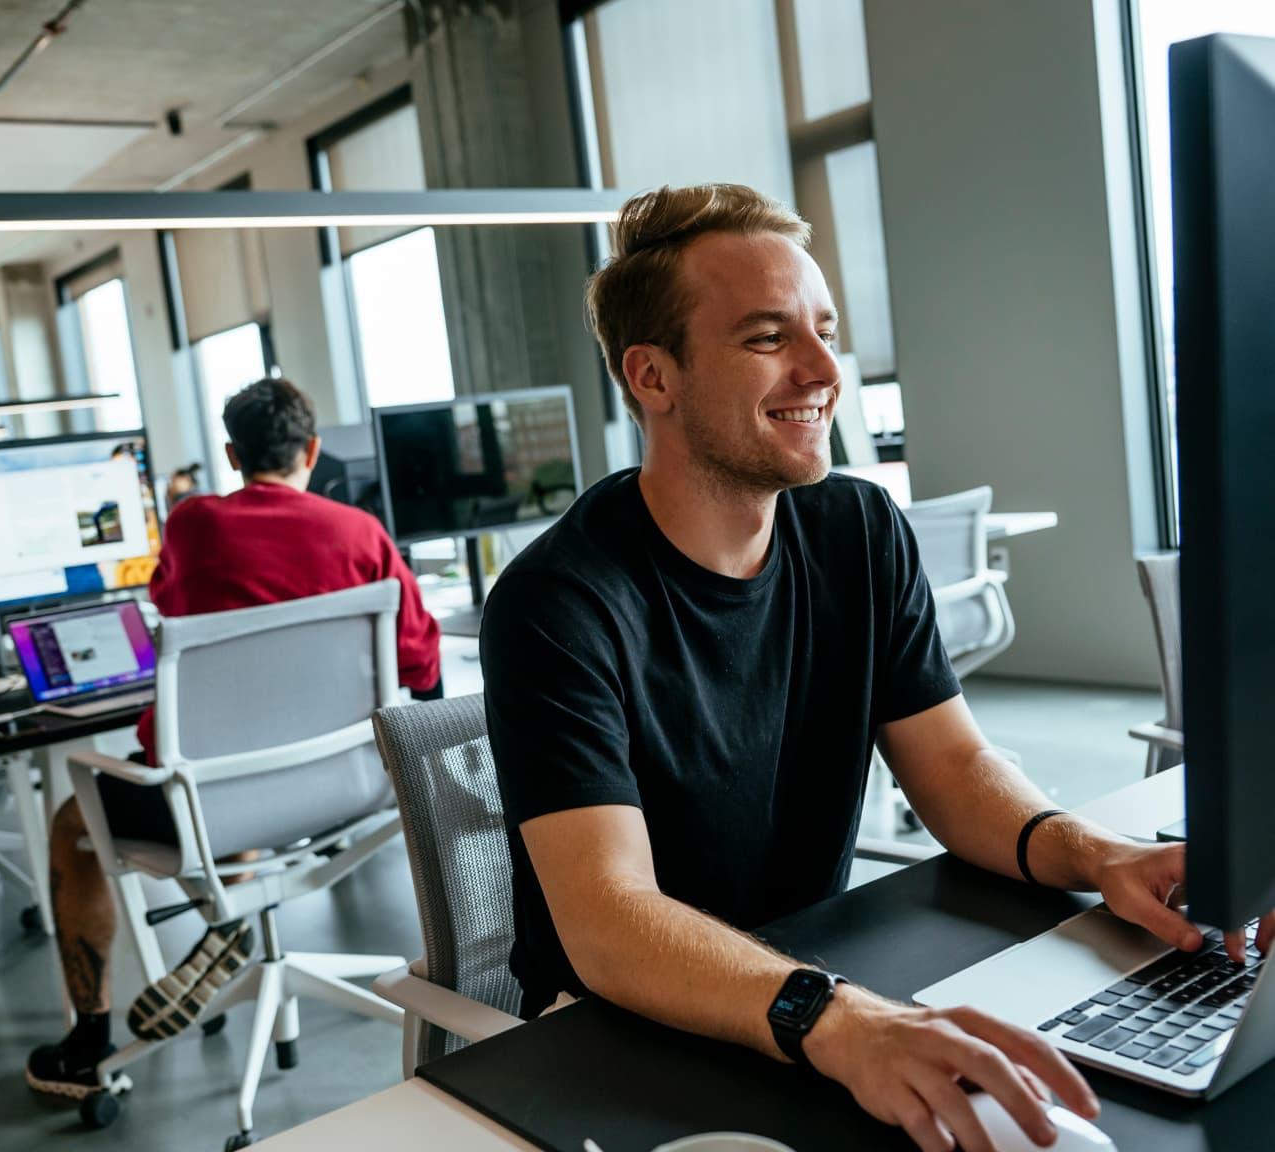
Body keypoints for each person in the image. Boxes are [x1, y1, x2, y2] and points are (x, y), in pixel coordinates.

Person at [480, 184, 1271, 1152]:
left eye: (825, 330)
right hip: (621, 1041)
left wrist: (1097, 856)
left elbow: (953, 770)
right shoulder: (557, 603)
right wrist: (840, 1019)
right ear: (654, 376)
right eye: (769, 338)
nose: (823, 371)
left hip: (811, 982)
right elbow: (611, 918)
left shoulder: (858, 530)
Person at [26, 377, 442, 1099]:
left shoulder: (194, 526)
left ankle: (88, 1043)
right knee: (242, 771)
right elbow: (423, 663)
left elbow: (168, 610)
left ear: (231, 453)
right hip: (349, 790)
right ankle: (235, 919)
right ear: (312, 450)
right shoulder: (361, 534)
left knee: (74, 824)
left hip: (216, 805)